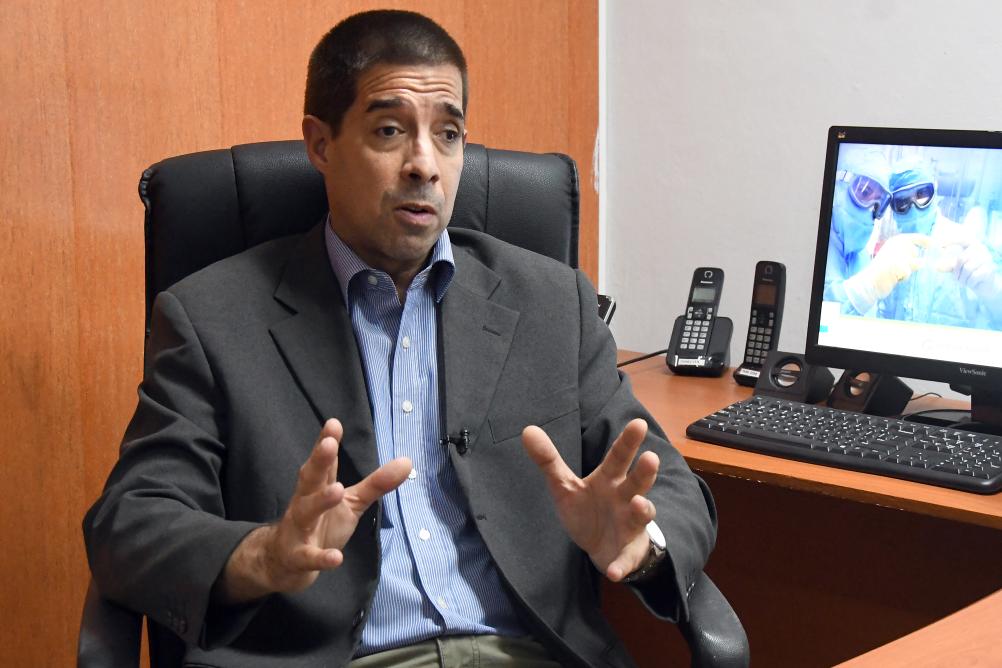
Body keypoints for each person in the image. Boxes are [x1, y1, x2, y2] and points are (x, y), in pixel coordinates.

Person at [83, 10, 717, 667]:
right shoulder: (211, 318)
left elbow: (672, 488)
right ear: (320, 144)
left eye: (449, 134)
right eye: (389, 130)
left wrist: (642, 546)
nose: (425, 165)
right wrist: (262, 555)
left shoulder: (552, 302)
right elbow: (129, 525)